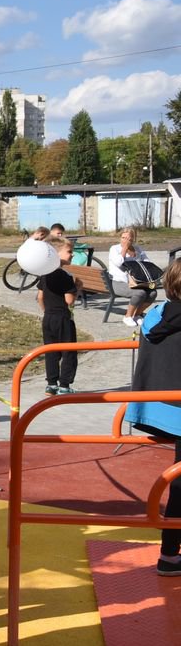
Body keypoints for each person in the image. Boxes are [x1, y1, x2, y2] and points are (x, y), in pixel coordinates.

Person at [124, 258, 181, 576]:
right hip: (178, 405)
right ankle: (170, 555)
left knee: (179, 485)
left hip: (157, 406)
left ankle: (170, 554)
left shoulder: (154, 314)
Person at [37, 236, 78, 395]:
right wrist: (78, 288)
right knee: (68, 351)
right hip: (63, 318)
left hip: (48, 317)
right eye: (69, 251)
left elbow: (40, 297)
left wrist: (46, 311)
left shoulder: (44, 274)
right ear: (56, 254)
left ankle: (51, 384)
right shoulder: (65, 276)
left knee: (51, 351)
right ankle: (65, 385)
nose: (72, 255)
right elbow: (69, 301)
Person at [108, 227, 157, 327]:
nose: (126, 241)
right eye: (123, 237)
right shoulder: (114, 249)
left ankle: (137, 314)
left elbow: (147, 263)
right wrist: (124, 249)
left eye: (129, 239)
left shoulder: (138, 249)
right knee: (140, 293)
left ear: (133, 239)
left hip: (136, 282)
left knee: (153, 292)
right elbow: (118, 263)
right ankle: (127, 316)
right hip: (118, 283)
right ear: (120, 237)